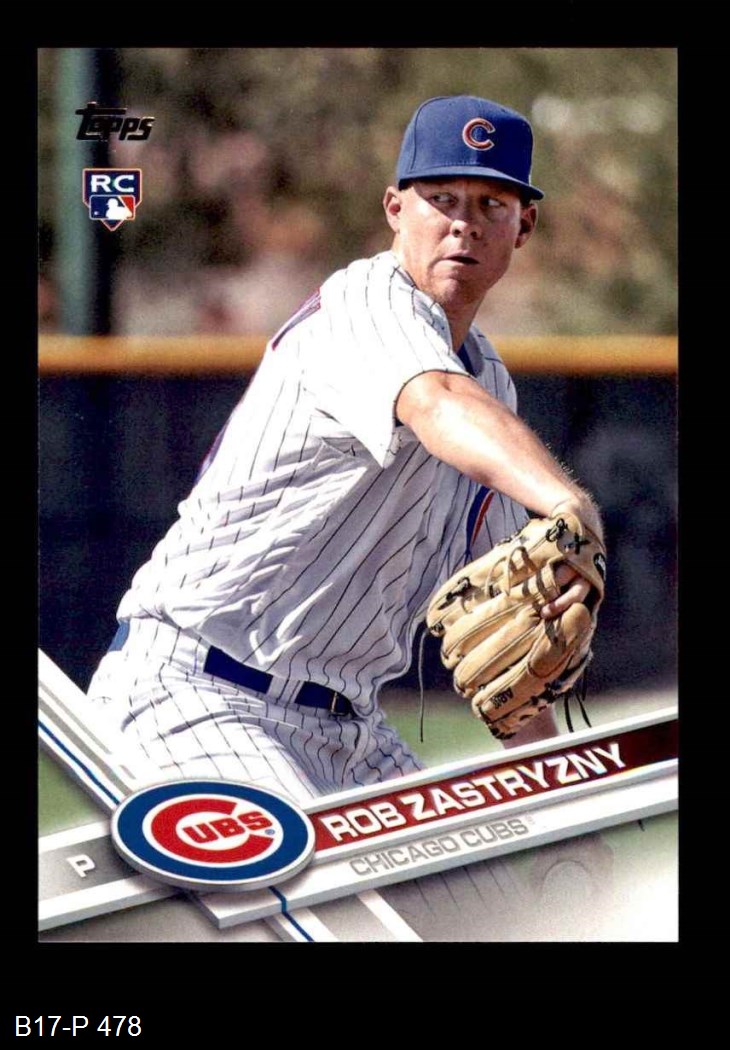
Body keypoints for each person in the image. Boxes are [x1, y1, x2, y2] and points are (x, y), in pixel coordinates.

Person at [86, 95, 603, 808]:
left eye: (492, 204)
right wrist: (567, 502)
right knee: (323, 876)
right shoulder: (366, 305)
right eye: (442, 198)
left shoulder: (490, 388)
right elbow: (435, 403)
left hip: (347, 729)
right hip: (199, 692)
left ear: (524, 227)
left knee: (493, 875)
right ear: (395, 209)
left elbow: (513, 638)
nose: (463, 222)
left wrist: (562, 796)